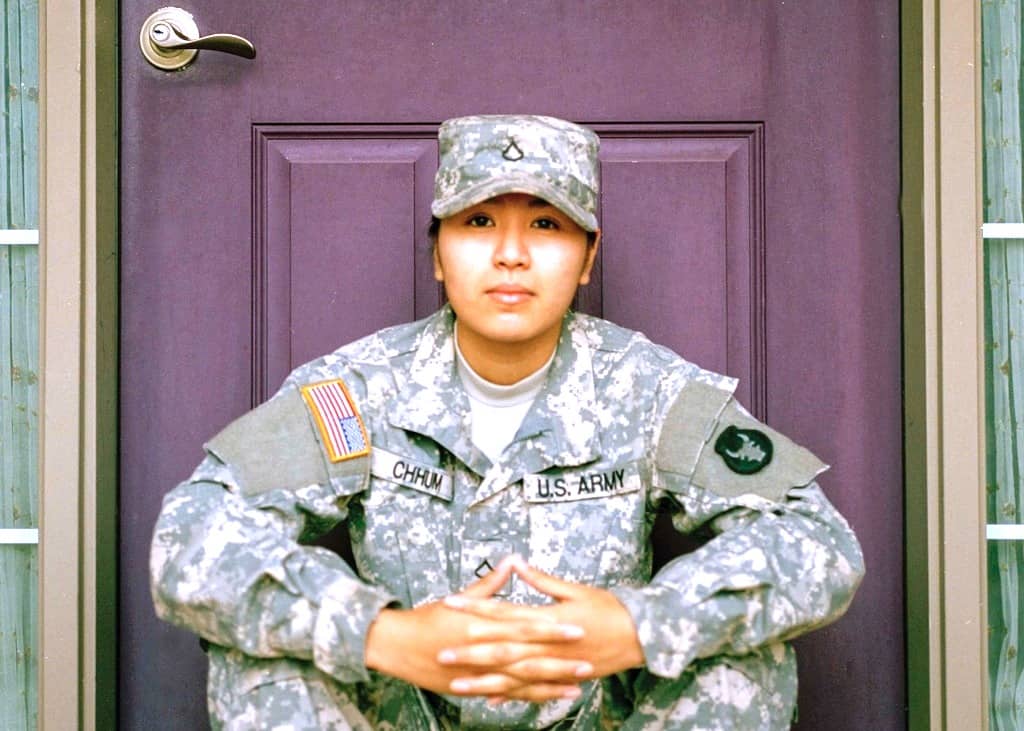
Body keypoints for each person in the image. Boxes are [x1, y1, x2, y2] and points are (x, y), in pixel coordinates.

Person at [150, 114, 864, 730]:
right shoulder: (357, 391)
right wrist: (380, 633)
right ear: (438, 251)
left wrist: (640, 624)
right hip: (403, 710)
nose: (512, 254)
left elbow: (817, 540)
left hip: (595, 713)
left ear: (587, 259)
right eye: (479, 221)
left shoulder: (651, 390)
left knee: (744, 660)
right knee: (259, 657)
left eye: (547, 225)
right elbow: (192, 535)